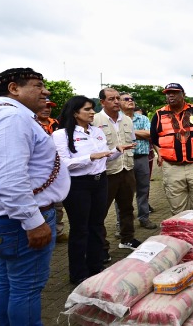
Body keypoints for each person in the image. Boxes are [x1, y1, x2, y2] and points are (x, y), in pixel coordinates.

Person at [0, 68, 70, 325]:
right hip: (19, 219)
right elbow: (9, 179)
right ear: (14, 89)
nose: (46, 91)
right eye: (38, 85)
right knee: (26, 288)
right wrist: (33, 222)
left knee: (7, 280)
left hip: (4, 215)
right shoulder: (12, 118)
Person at [52, 96, 128, 285]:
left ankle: (96, 267)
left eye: (92, 109)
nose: (92, 112)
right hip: (78, 185)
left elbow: (104, 158)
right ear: (75, 112)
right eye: (87, 109)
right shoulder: (61, 135)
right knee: (80, 229)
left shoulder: (96, 131)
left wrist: (116, 150)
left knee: (97, 225)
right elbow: (63, 164)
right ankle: (78, 273)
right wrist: (90, 157)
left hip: (100, 182)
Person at [92, 88, 139, 255]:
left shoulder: (127, 120)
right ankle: (101, 247)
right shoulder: (95, 120)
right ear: (102, 102)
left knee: (127, 208)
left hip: (126, 169)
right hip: (106, 172)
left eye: (118, 98)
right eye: (111, 99)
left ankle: (127, 239)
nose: (117, 101)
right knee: (100, 211)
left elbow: (132, 140)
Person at [150, 83, 193, 213]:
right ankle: (181, 232)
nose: (171, 95)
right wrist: (159, 153)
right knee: (177, 207)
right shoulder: (159, 115)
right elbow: (154, 139)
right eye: (168, 93)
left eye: (175, 92)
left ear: (183, 94)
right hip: (172, 168)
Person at [120, 94, 157, 229]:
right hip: (123, 159)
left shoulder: (143, 118)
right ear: (119, 103)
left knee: (143, 190)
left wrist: (128, 132)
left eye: (132, 99)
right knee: (123, 194)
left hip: (142, 158)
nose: (130, 101)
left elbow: (150, 134)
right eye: (126, 99)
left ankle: (144, 218)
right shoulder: (116, 120)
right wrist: (139, 133)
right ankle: (122, 224)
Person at [36, 98, 68, 244]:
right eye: (44, 105)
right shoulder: (31, 123)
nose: (47, 108)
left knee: (57, 204)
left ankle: (58, 231)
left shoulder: (56, 123)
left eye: (49, 106)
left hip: (56, 170)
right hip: (39, 173)